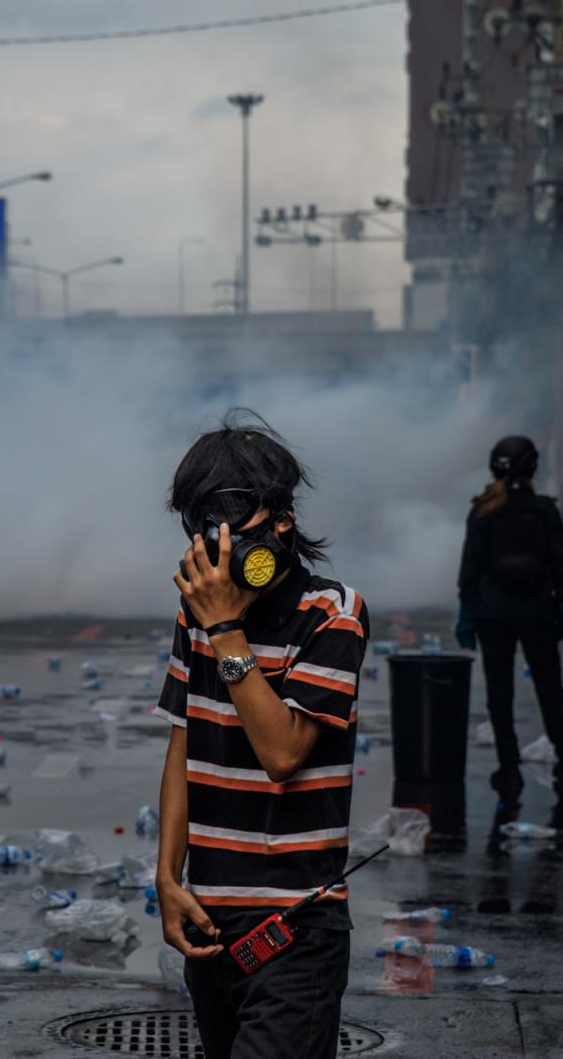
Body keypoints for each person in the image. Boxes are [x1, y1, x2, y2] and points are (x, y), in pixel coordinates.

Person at [153, 411, 368, 1059]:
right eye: (203, 522)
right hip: (211, 926)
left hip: (295, 930)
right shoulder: (198, 613)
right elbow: (183, 742)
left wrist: (226, 632)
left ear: (282, 520)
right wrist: (167, 878)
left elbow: (282, 752)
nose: (220, 542)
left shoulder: (332, 613)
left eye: (235, 517)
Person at [454, 435, 563, 821]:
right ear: (532, 468)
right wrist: (561, 604)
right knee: (550, 687)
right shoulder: (544, 510)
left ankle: (509, 770)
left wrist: (466, 611)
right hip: (537, 613)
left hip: (494, 615)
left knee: (500, 693)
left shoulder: (483, 510)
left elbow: (470, 567)